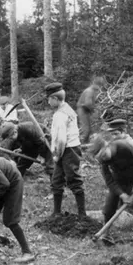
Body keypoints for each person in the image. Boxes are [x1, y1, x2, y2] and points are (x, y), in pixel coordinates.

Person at [46, 82, 86, 217]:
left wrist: (57, 156)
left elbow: (62, 140)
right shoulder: (67, 108)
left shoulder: (60, 115)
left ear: (55, 98)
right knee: (56, 180)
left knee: (74, 179)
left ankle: (82, 214)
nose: (48, 102)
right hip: (68, 149)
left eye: (49, 99)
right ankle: (56, 212)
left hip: (68, 150)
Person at [76, 77, 104, 144]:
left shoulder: (93, 91)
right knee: (86, 129)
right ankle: (82, 144)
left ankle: (86, 142)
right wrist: (93, 110)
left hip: (85, 109)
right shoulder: (89, 91)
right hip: (82, 109)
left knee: (89, 129)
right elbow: (88, 104)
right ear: (94, 84)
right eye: (99, 86)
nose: (99, 88)